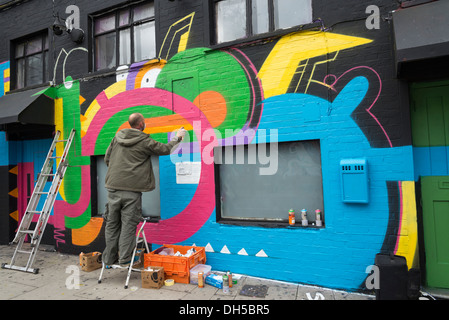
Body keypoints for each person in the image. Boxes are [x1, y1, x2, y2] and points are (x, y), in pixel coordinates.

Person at [102, 112, 185, 266]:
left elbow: (107, 158)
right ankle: (125, 259)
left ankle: (108, 259)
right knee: (128, 224)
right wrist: (178, 137)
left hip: (112, 188)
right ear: (141, 124)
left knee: (112, 224)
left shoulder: (117, 137)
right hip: (131, 191)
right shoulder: (143, 141)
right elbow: (165, 149)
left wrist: (118, 175)